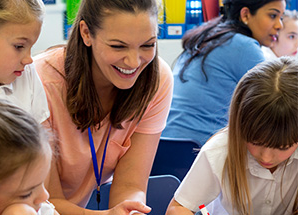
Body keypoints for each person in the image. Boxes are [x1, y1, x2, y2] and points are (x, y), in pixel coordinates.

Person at [33, 0, 173, 214]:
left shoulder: (157, 80)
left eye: (148, 45)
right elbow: (45, 203)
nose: (134, 62)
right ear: (86, 33)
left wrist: (131, 210)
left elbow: (131, 186)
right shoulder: (40, 82)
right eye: (118, 46)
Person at [166, 57, 298, 215]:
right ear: (239, 125)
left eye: (283, 147)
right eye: (255, 142)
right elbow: (179, 208)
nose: (267, 157)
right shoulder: (219, 152)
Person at [161, 0, 285, 145]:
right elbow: (279, 106)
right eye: (272, 16)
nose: (279, 25)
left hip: (165, 147)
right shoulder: (244, 46)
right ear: (245, 14)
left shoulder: (206, 37)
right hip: (202, 151)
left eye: (281, 18)